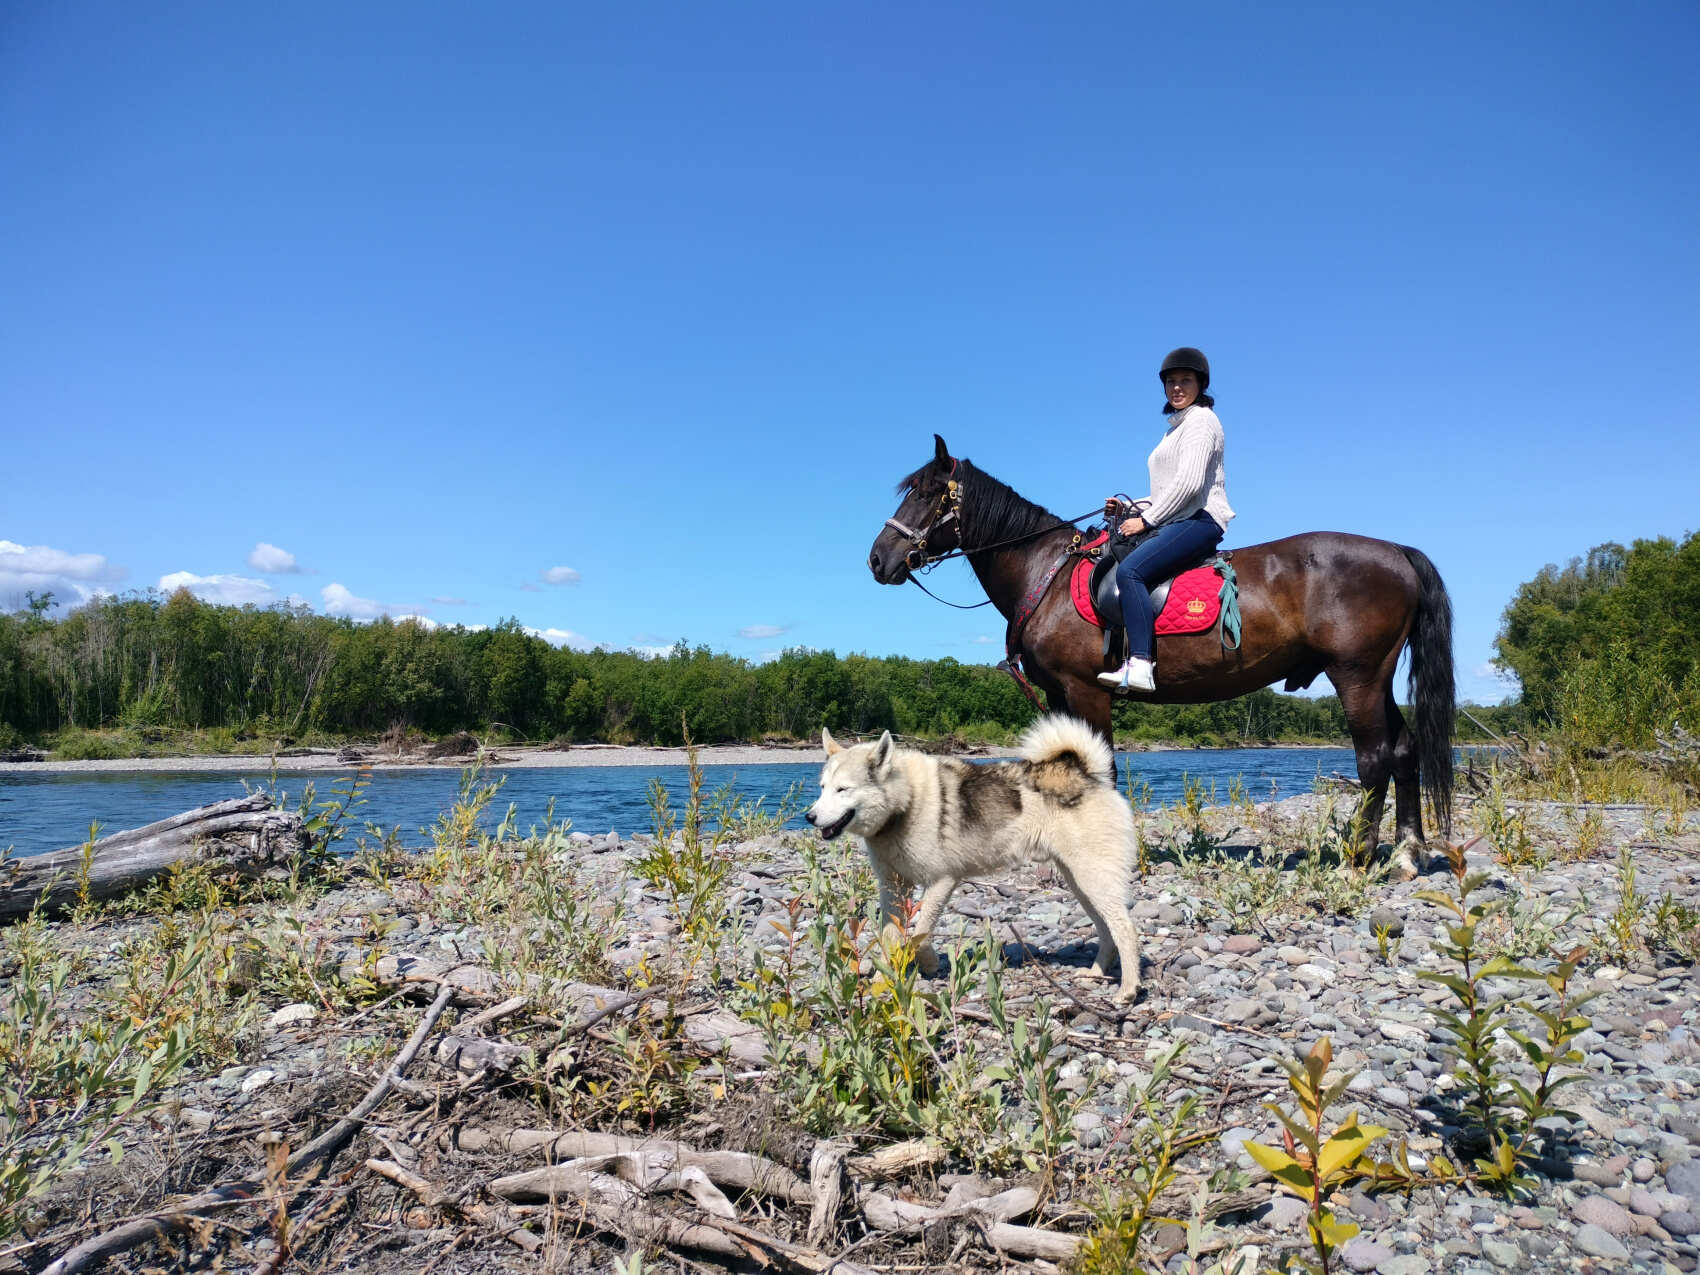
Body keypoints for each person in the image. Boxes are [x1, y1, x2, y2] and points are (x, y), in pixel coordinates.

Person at [1096, 347, 1235, 693]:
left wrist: (1146, 521)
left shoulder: (1201, 422)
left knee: (1132, 572)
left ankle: (1141, 664)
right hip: (1177, 517)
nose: (1176, 387)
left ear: (1200, 385)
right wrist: (1130, 508)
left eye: (1185, 381)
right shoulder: (1175, 429)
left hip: (1201, 518)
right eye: (1170, 382)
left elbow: (1189, 486)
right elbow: (1164, 492)